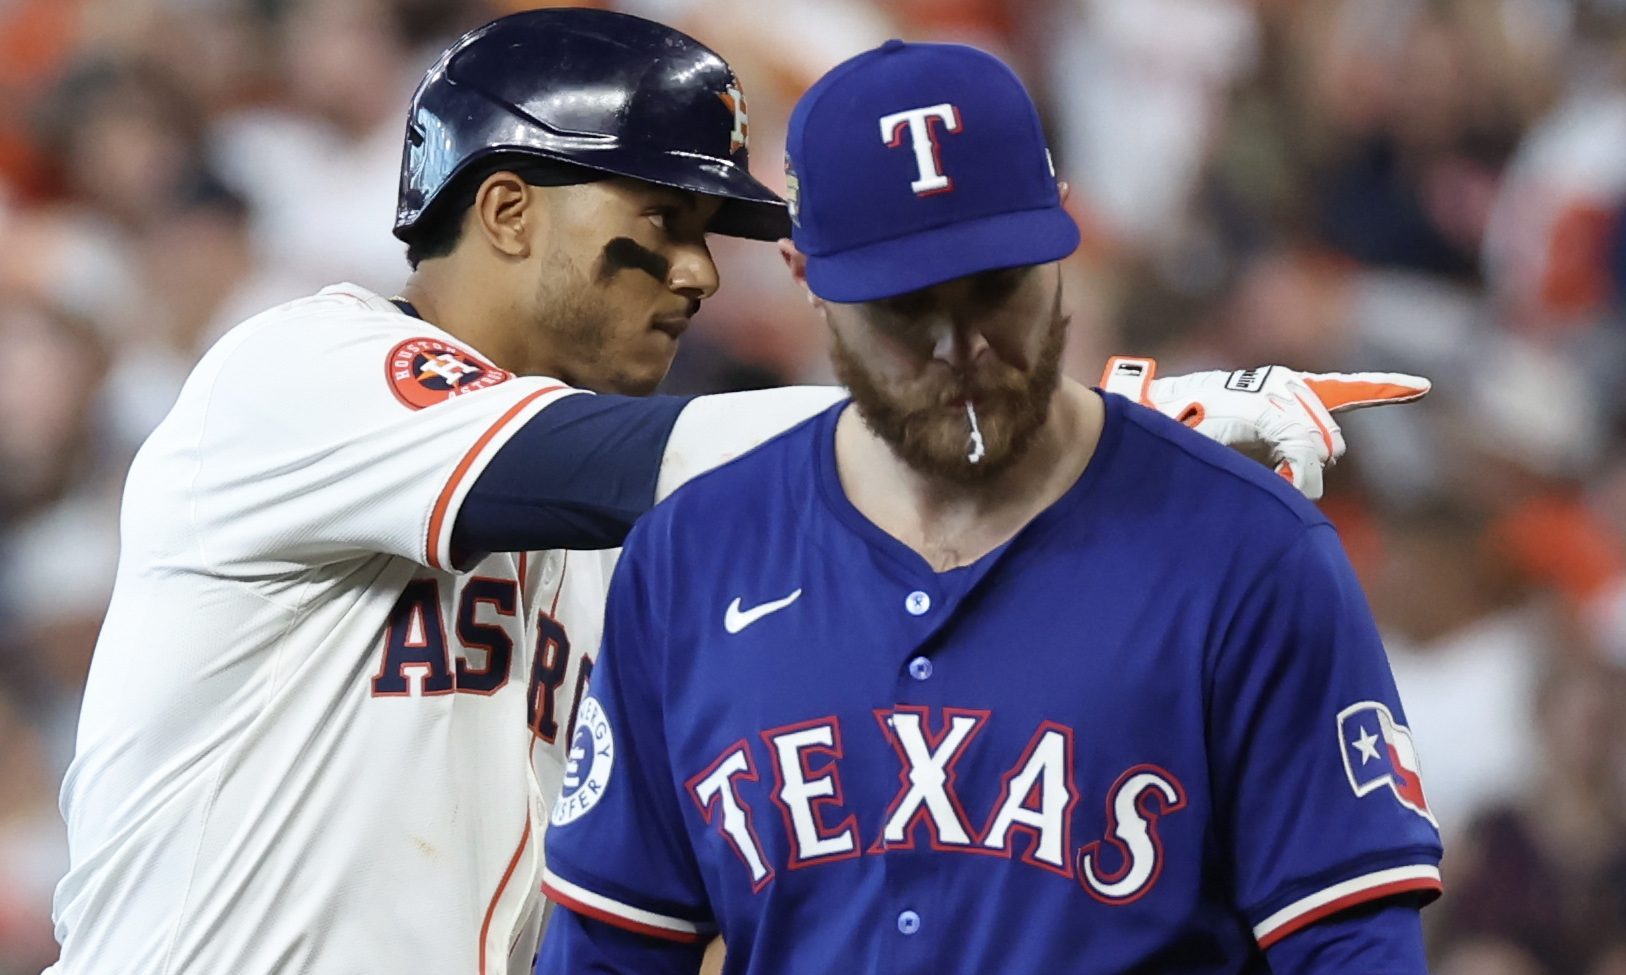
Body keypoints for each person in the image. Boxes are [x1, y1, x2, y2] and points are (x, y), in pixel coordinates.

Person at [45, 10, 1422, 975]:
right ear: (510, 207)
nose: (701, 274)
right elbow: (606, 466)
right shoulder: (301, 371)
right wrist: (1068, 420)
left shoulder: (645, 554)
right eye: (659, 227)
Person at [535, 39, 1443, 975]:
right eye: (904, 306)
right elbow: (608, 948)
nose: (959, 343)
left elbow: (1353, 948)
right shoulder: (693, 557)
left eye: (996, 287)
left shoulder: (1251, 556)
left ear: (1063, 237)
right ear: (805, 275)